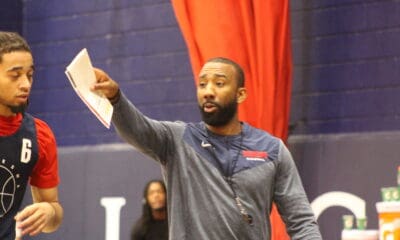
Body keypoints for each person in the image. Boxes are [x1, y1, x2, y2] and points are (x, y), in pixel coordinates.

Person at [92, 57, 322, 239]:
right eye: (202, 84)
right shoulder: (178, 140)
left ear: (240, 94)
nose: (208, 91)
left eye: (219, 83)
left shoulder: (272, 149)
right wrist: (115, 98)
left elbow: (301, 222)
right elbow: (137, 129)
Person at [0, 31, 63, 240]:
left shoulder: (40, 135)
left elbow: (53, 209)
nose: (26, 84)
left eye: (30, 75)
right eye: (15, 75)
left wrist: (49, 212)